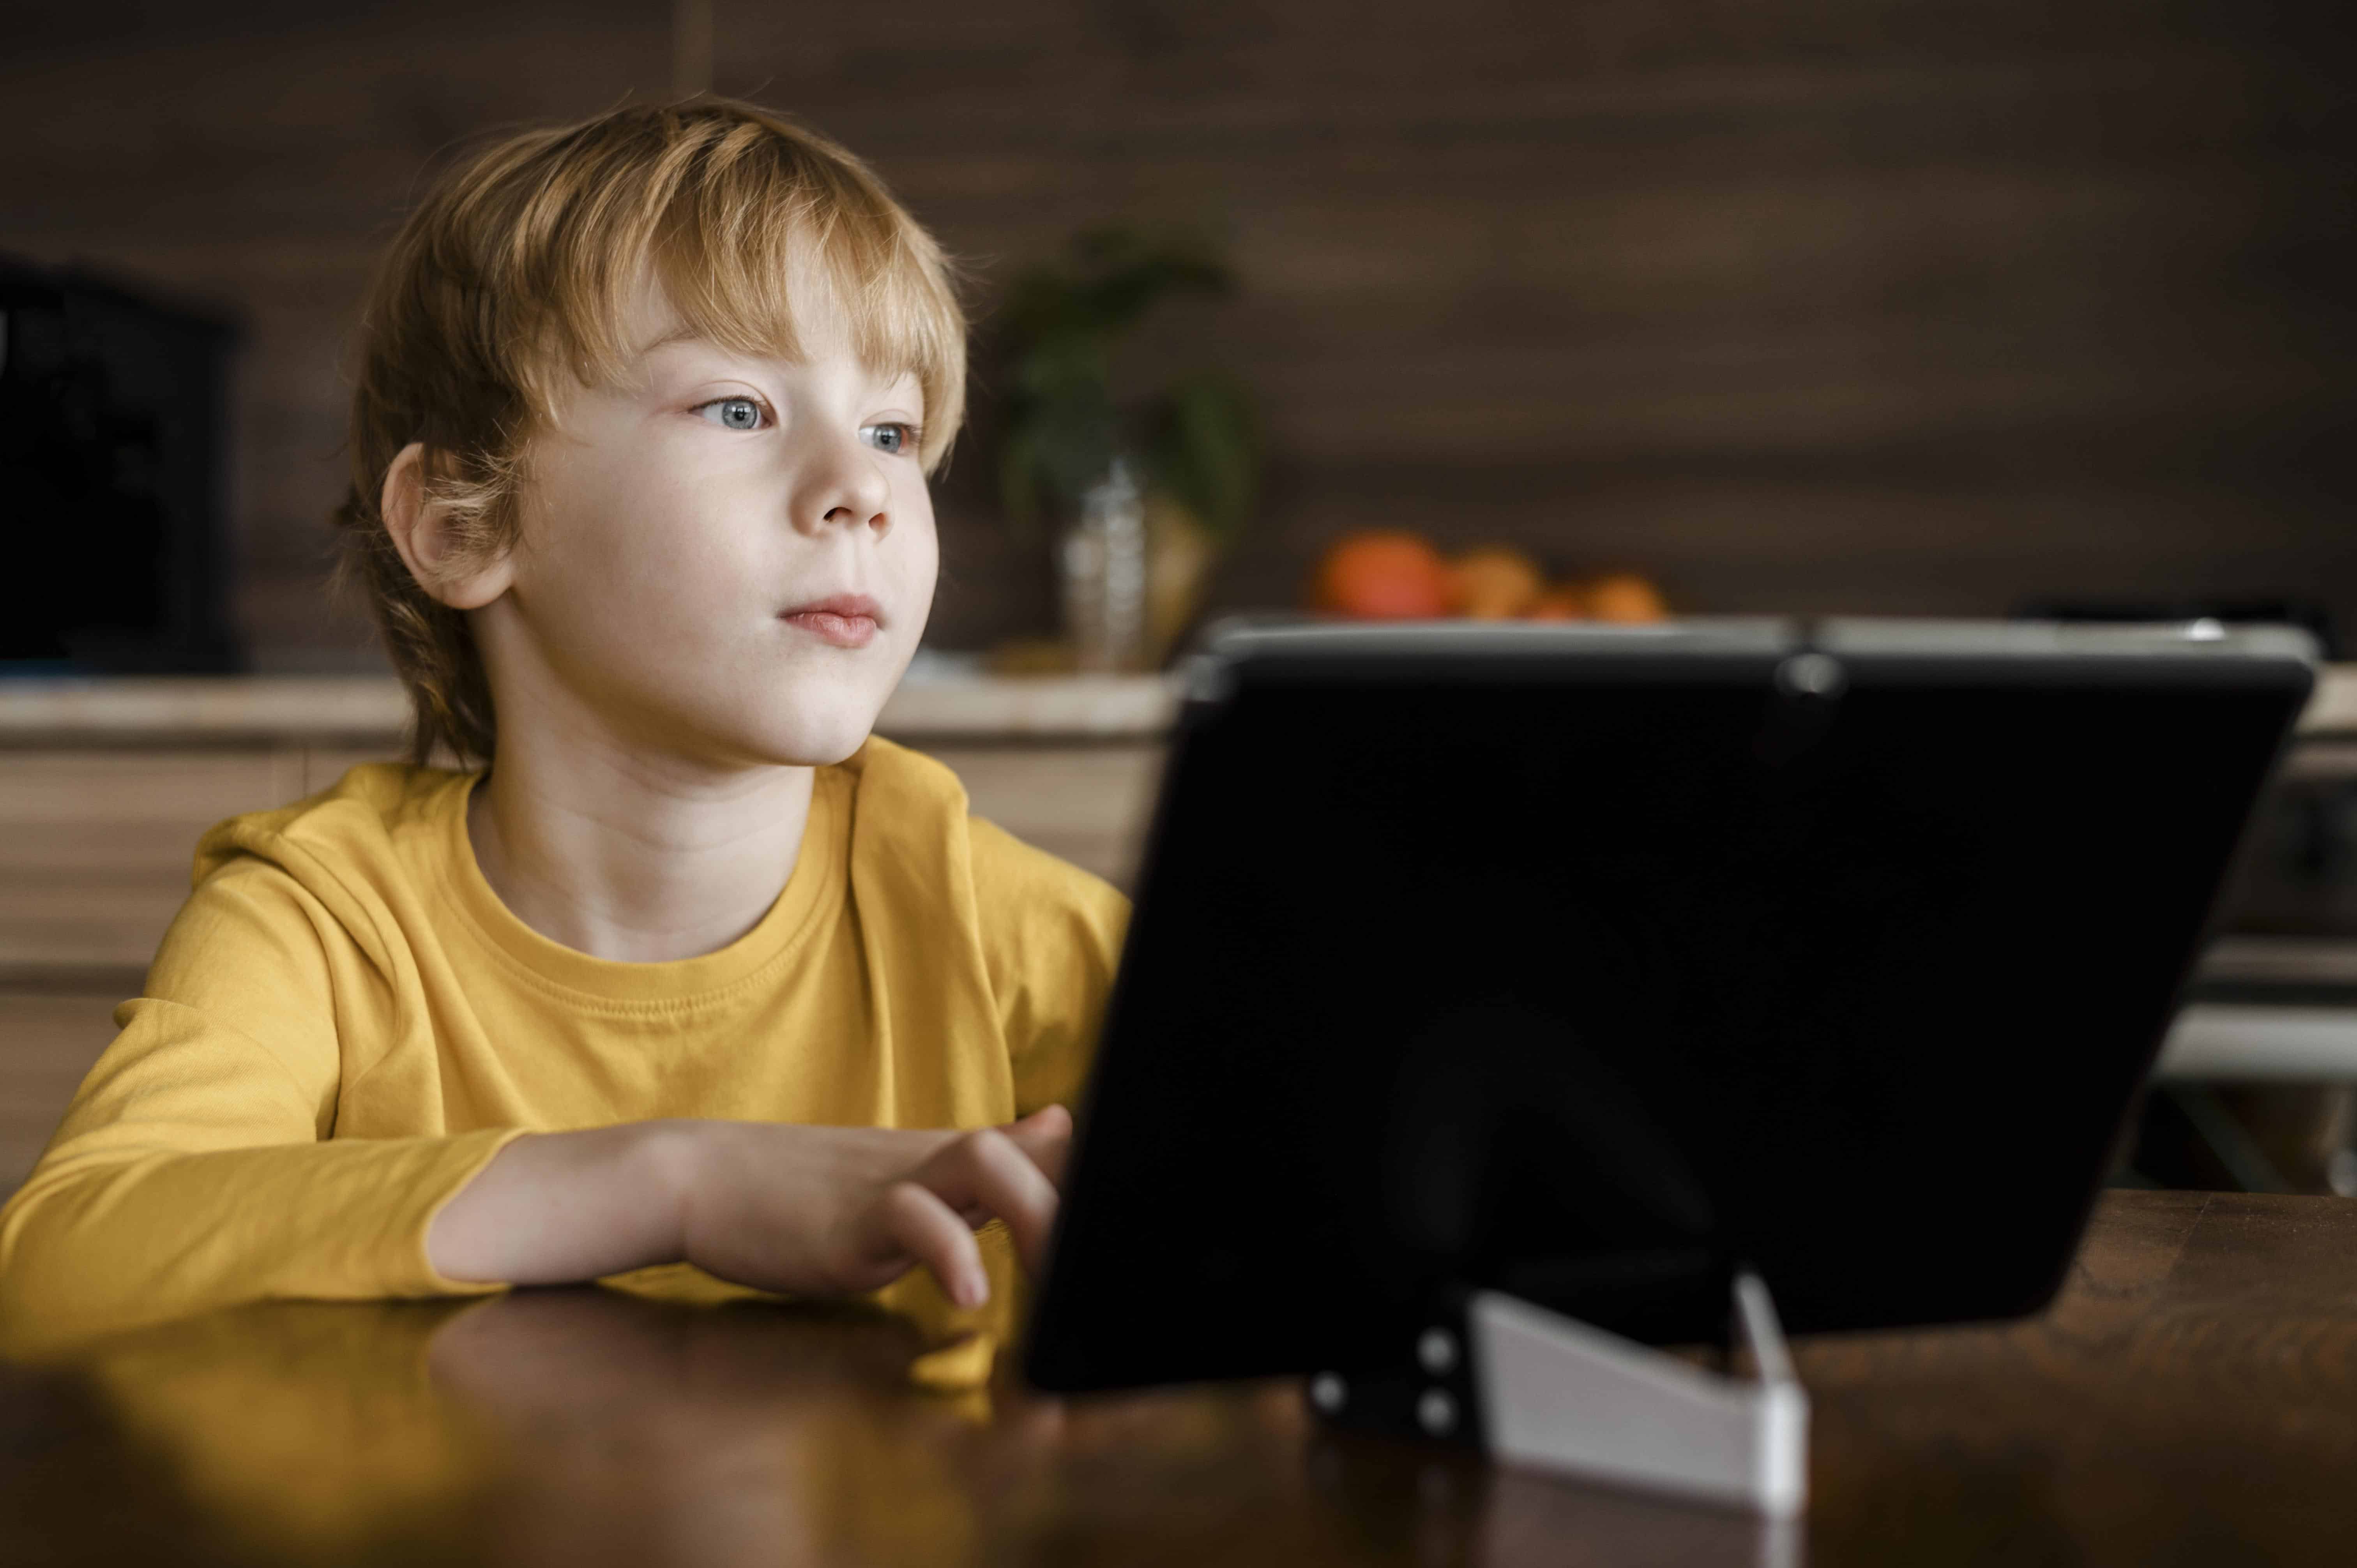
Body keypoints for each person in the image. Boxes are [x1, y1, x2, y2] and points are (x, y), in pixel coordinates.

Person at [0, 99, 1127, 1358]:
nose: (863, 490)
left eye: (892, 432)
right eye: (741, 410)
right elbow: (65, 1261)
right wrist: (677, 1184)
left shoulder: (984, 915)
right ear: (465, 526)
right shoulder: (326, 919)